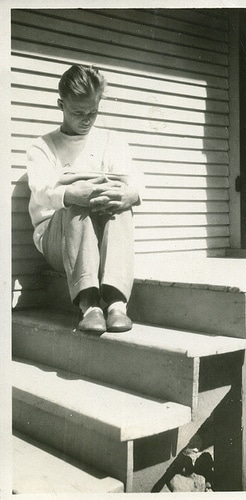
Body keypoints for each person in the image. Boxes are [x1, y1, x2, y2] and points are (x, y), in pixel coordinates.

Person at [26, 64, 142, 334]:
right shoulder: (43, 146)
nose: (87, 120)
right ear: (60, 104)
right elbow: (41, 190)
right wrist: (69, 194)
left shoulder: (111, 140)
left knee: (122, 204)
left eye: (93, 112)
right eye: (78, 112)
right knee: (75, 203)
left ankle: (116, 304)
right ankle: (89, 306)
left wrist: (130, 194)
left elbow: (135, 180)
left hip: (101, 236)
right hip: (58, 239)